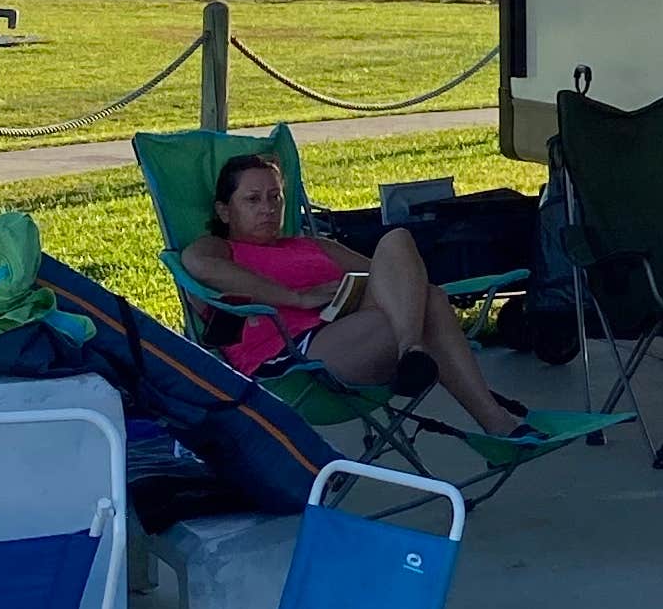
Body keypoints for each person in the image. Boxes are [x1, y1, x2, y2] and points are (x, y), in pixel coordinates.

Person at [181, 153, 523, 447]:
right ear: (225, 211)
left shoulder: (313, 246)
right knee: (429, 303)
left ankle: (414, 353)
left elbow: (397, 277)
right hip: (295, 361)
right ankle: (492, 418)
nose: (268, 209)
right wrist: (296, 298)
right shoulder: (221, 247)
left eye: (275, 197)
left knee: (398, 243)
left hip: (354, 334)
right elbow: (197, 264)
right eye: (253, 200)